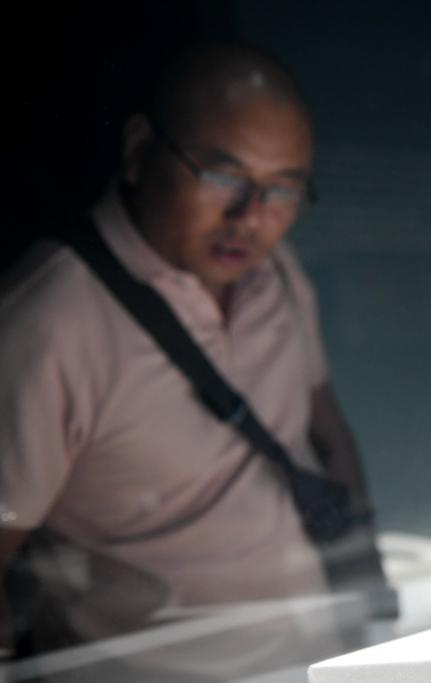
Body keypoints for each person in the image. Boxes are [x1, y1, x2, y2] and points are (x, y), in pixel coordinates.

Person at [0, 42, 383, 677]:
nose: (251, 217)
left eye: (283, 188)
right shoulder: (45, 322)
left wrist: (369, 590)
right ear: (137, 151)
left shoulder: (279, 276)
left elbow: (325, 429)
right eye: (223, 176)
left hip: (319, 656)